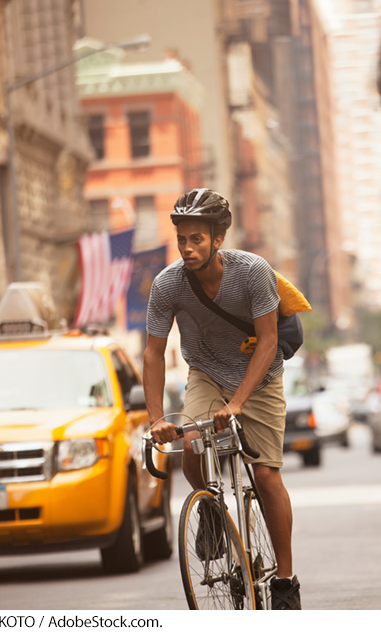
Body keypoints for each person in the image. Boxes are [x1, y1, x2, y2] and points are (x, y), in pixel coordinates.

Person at [143, 188, 301, 610]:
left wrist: (238, 404)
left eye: (197, 238)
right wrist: (157, 418)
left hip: (260, 376)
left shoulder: (253, 272)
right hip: (207, 373)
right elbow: (153, 354)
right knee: (192, 442)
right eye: (182, 239)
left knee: (266, 476)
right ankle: (212, 508)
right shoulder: (167, 284)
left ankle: (285, 580)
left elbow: (269, 341)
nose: (188, 247)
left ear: (218, 238)